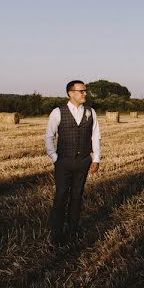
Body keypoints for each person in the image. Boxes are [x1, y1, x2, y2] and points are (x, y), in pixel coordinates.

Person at [45, 80, 101, 246]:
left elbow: (95, 136)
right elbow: (49, 136)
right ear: (71, 93)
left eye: (85, 91)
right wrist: (55, 158)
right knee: (61, 196)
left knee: (77, 196)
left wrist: (96, 158)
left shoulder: (91, 112)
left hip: (84, 160)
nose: (85, 93)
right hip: (64, 161)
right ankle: (56, 234)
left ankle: (72, 231)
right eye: (81, 91)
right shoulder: (58, 112)